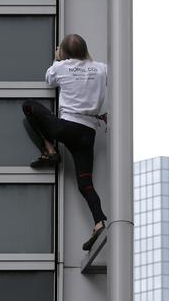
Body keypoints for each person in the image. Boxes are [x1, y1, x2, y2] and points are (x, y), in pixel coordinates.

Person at [22, 34, 108, 251]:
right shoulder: (101, 68)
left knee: (29, 106)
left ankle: (50, 150)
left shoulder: (60, 67)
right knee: (85, 183)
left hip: (66, 128)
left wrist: (57, 58)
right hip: (87, 134)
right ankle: (99, 221)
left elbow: (49, 80)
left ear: (64, 52)